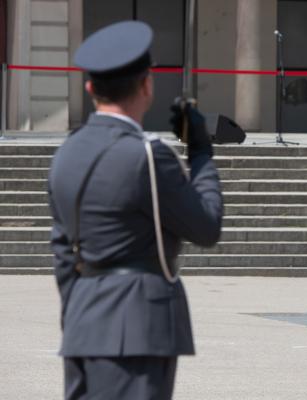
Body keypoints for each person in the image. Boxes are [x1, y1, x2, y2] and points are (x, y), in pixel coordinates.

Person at [48, 21, 223, 399]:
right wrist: (201, 154)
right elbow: (206, 226)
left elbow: (63, 252)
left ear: (90, 87)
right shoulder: (147, 154)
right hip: (139, 325)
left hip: (83, 320)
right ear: (147, 85)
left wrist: (79, 316)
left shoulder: (66, 153)